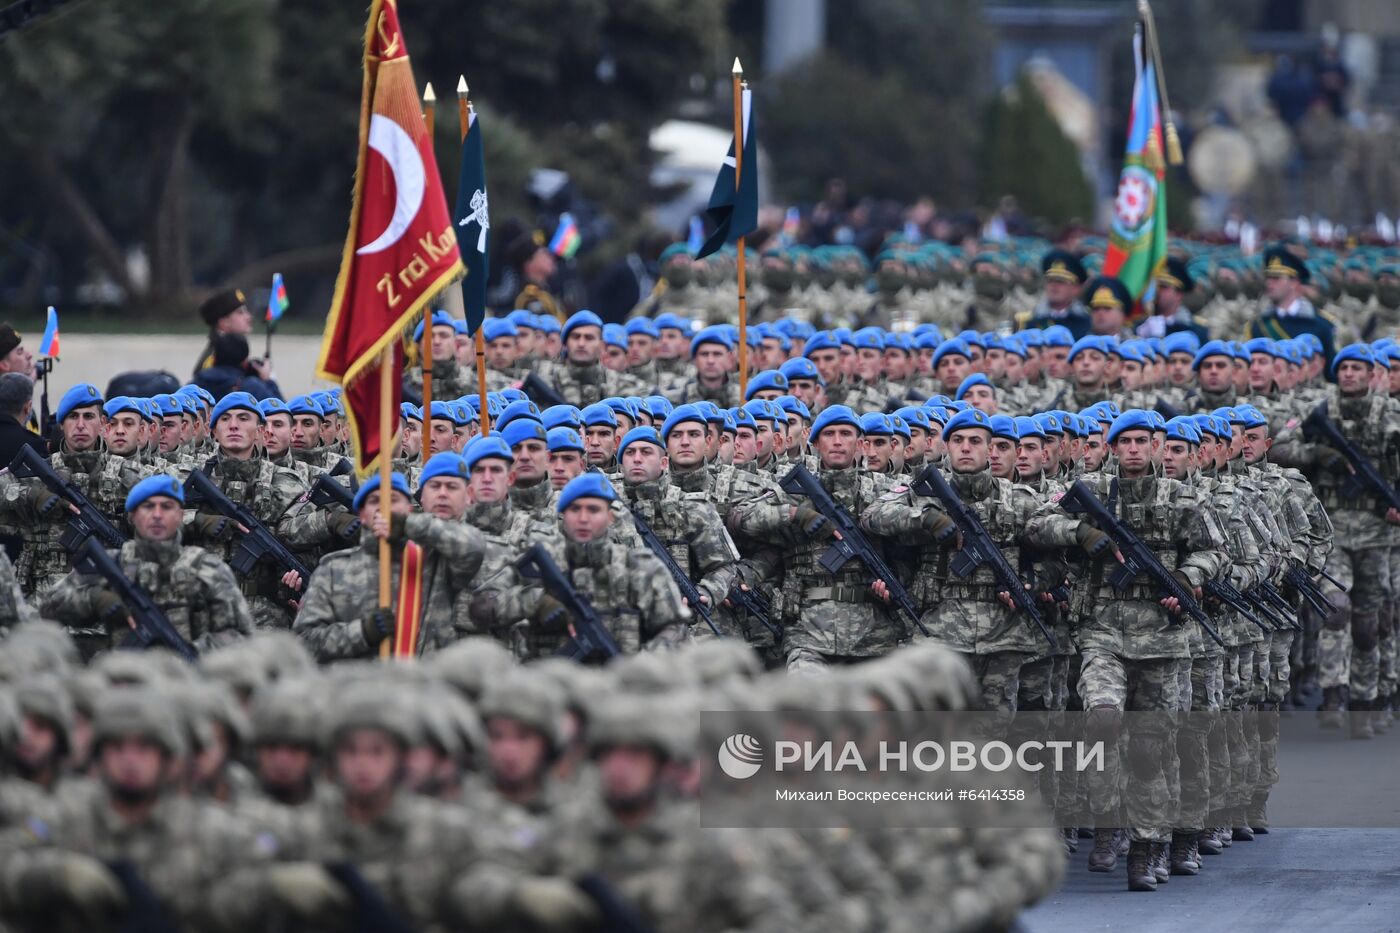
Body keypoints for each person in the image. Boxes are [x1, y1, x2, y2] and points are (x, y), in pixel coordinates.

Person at [293, 472, 499, 660]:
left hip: (428, 691)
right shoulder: (333, 570)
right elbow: (304, 642)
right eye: (375, 501)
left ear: (408, 509)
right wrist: (363, 632)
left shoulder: (435, 562)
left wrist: (408, 526)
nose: (384, 507)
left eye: (393, 500)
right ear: (362, 514)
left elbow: (474, 548)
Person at [41, 474, 253, 657]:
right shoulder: (111, 564)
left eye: (167, 507)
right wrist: (94, 600)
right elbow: (49, 607)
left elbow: (240, 634)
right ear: (132, 516)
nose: (157, 515)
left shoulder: (208, 568)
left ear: (181, 516)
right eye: (148, 506)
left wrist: (192, 652)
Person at [1243, 245, 1338, 363]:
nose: (1269, 283)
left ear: (1295, 282)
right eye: (1268, 277)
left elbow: (1331, 371)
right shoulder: (1258, 326)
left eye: (1276, 278)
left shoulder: (1320, 325)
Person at [1019, 250, 1091, 340]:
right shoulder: (1029, 321)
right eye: (1050, 281)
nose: (1054, 285)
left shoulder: (1087, 322)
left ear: (1075, 289)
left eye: (1060, 281)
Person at [192, 334, 281, 401]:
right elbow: (281, 411)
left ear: (214, 358)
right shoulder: (251, 387)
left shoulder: (195, 385)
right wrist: (267, 380)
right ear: (245, 361)